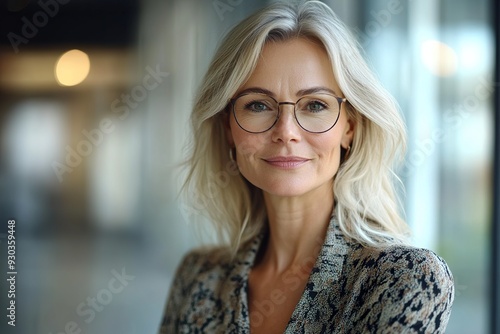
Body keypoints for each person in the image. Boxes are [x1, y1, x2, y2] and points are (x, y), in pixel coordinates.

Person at [158, 1, 454, 333]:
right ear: (228, 127)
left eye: (315, 105)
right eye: (258, 104)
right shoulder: (198, 275)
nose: (286, 131)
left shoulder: (406, 278)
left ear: (349, 127)